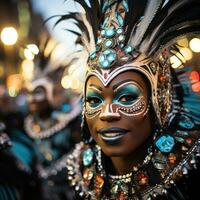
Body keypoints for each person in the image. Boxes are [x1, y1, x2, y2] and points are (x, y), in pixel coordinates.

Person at [56, 0, 200, 199]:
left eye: (127, 97)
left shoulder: (190, 174)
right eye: (94, 100)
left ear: (160, 98)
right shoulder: (77, 174)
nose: (107, 113)